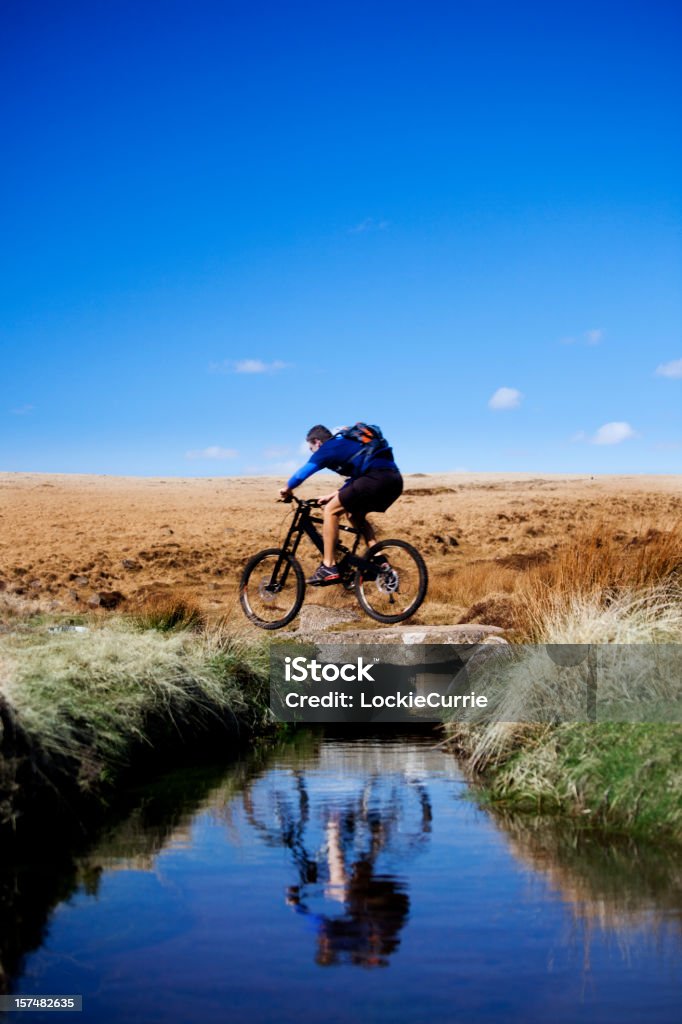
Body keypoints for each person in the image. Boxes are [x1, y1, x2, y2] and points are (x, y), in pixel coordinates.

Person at [279, 424, 403, 584]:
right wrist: (332, 495)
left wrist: (287, 488)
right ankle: (379, 561)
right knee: (354, 514)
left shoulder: (327, 448)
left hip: (374, 479)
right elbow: (356, 480)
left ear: (317, 442)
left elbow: (302, 473)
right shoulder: (347, 445)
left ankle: (328, 566)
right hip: (394, 481)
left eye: (311, 448)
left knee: (331, 511)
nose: (312, 452)